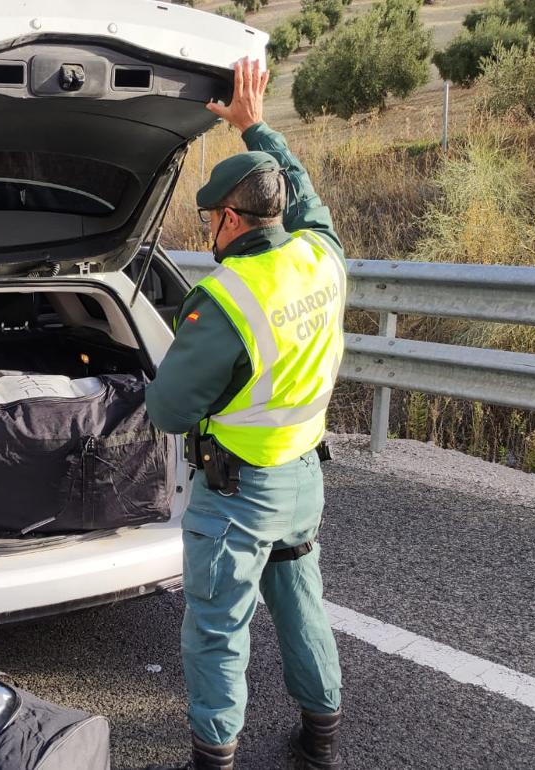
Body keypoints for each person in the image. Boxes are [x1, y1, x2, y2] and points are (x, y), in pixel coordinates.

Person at [145, 59, 347, 770]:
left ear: (229, 218)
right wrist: (255, 127)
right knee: (299, 601)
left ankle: (216, 756)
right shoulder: (322, 257)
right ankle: (321, 732)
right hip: (303, 481)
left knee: (217, 626)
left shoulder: (227, 299)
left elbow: (169, 409)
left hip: (237, 497)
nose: (209, 229)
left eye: (210, 218)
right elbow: (306, 191)